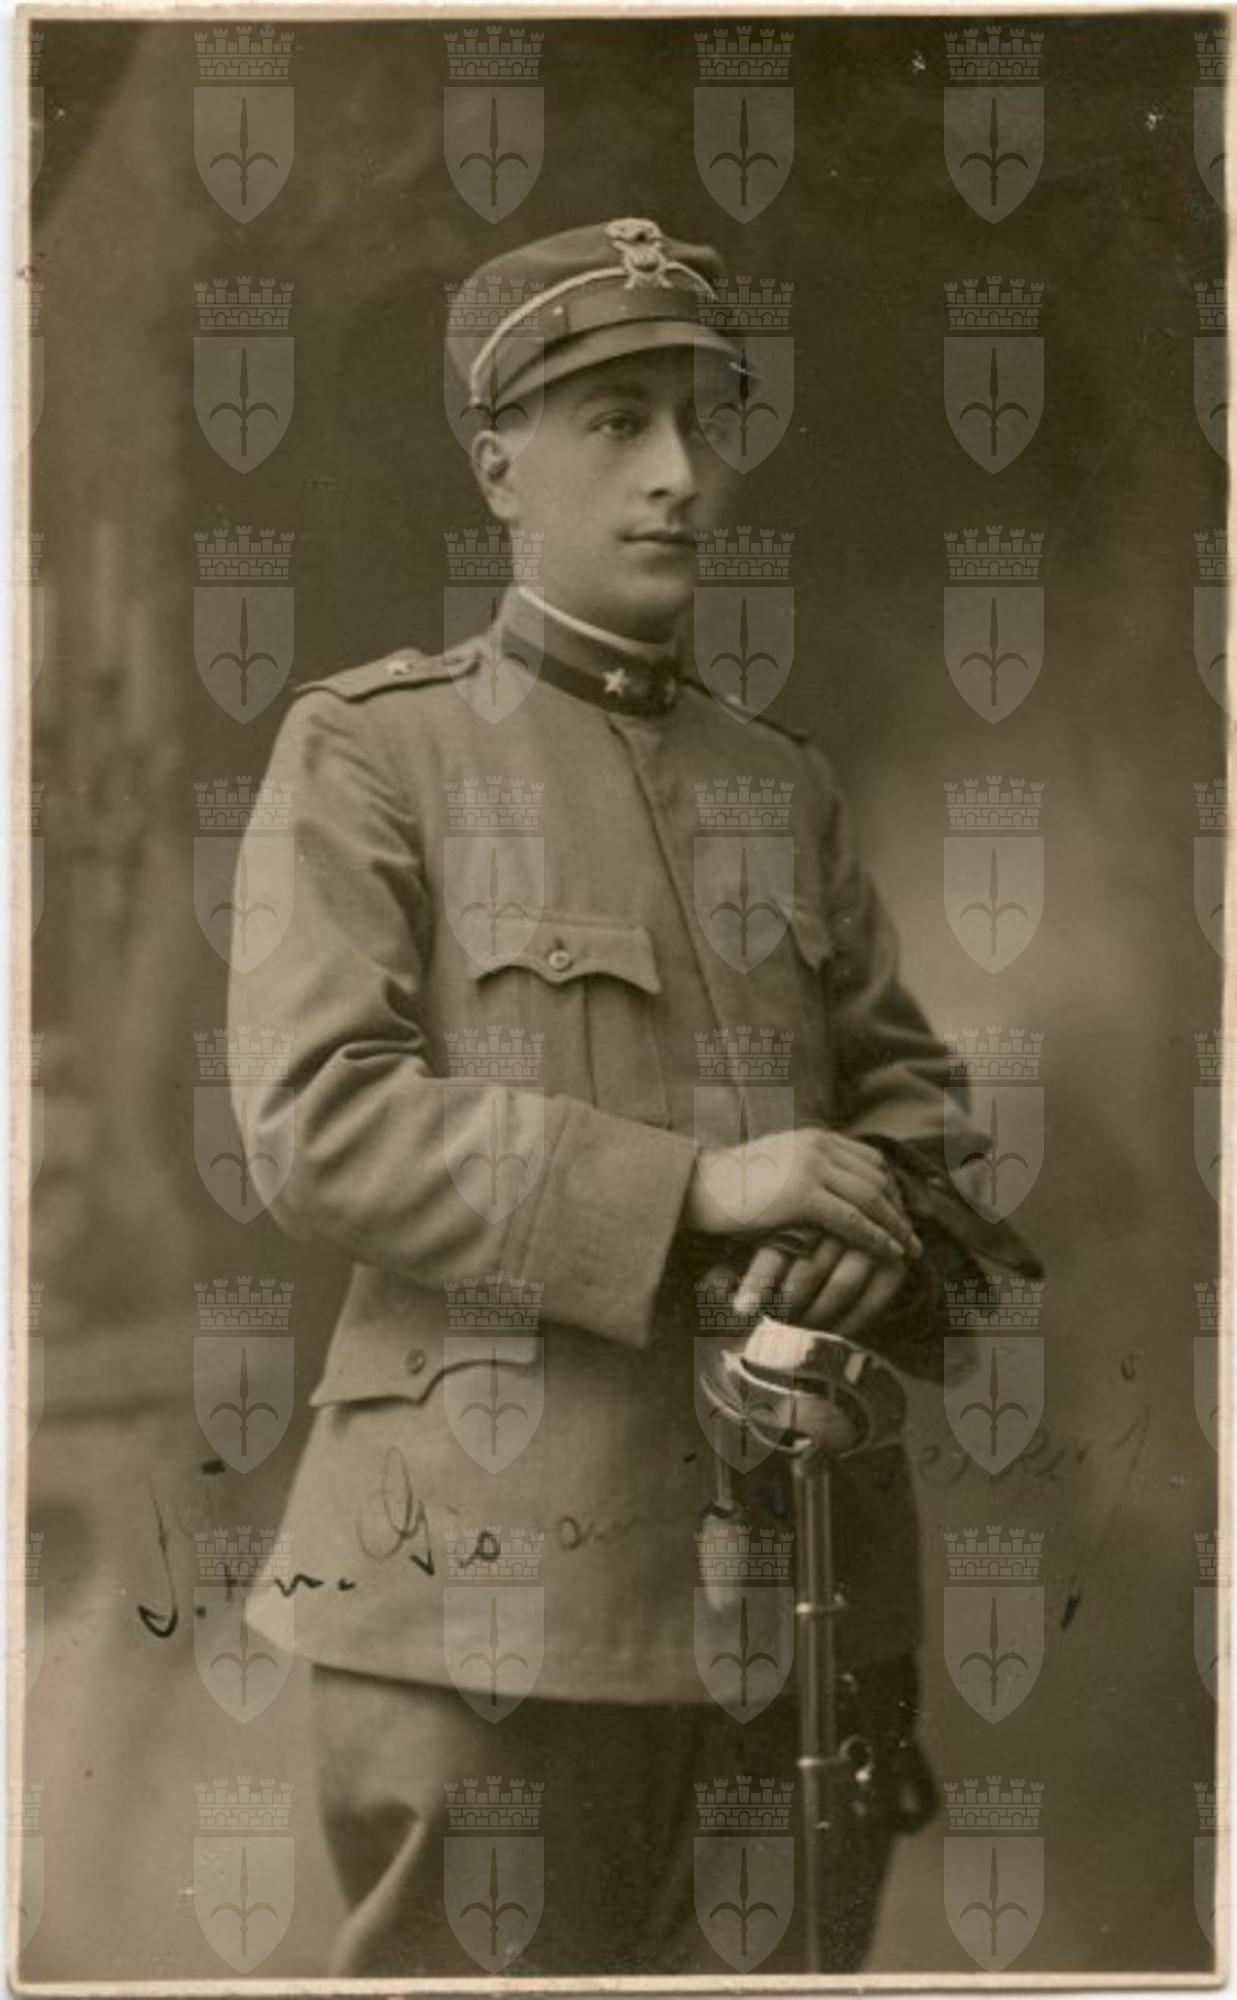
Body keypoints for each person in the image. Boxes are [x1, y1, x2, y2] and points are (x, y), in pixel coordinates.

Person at [228, 215, 1040, 1978]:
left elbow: (919, 1128)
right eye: (616, 421)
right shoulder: (374, 750)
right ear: (496, 465)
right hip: (488, 1604)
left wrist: (878, 1229)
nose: (679, 473)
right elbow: (317, 1123)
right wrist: (700, 1188)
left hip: (800, 1597)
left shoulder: (782, 786)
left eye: (698, 418)